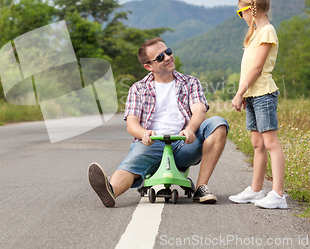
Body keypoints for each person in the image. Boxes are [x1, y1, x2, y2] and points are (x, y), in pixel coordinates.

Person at [88, 37, 228, 207]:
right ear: (148, 66)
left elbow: (199, 110)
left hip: (183, 143)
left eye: (168, 52)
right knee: (132, 163)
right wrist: (143, 133)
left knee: (218, 123)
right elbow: (132, 124)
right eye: (160, 57)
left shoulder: (190, 82)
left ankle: (201, 188)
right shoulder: (138, 88)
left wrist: (190, 129)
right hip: (151, 144)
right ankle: (111, 191)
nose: (168, 57)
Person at [229, 0, 287, 209]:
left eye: (240, 12)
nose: (241, 17)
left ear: (250, 10)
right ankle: (255, 190)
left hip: (263, 94)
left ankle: (278, 194)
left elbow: (257, 68)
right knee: (257, 143)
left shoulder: (267, 31)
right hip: (253, 95)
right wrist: (246, 93)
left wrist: (239, 92)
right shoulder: (255, 33)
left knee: (271, 142)